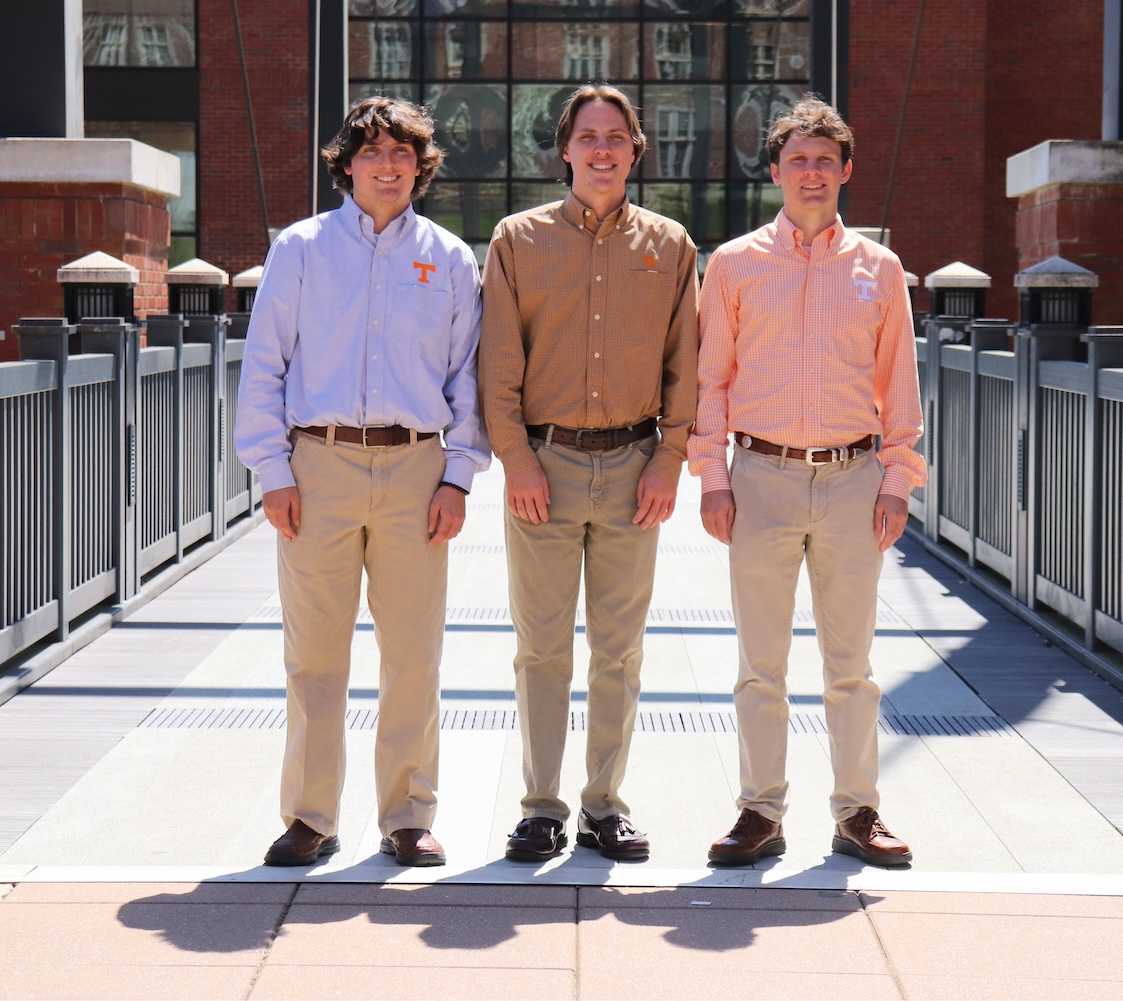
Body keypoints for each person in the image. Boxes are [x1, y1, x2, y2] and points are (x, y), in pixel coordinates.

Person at [235, 96, 489, 868]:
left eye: (403, 153)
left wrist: (457, 476)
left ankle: (408, 813)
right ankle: (311, 816)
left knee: (414, 653)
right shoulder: (301, 248)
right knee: (315, 653)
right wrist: (272, 469)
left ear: (421, 166)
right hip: (320, 465)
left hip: (416, 469)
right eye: (373, 152)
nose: (388, 165)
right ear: (346, 163)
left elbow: (467, 377)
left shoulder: (449, 256)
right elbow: (265, 363)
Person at [688, 94, 926, 868]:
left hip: (856, 479)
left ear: (846, 170)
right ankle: (760, 811)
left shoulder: (880, 269)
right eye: (799, 160)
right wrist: (712, 475)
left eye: (826, 160)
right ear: (776, 171)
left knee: (850, 664)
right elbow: (710, 378)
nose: (813, 173)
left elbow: (900, 384)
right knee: (761, 663)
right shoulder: (732, 264)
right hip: (760, 477)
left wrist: (899, 478)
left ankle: (859, 811)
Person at [480, 84, 698, 863]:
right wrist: (515, 461)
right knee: (541, 647)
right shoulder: (515, 238)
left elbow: (686, 366)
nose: (602, 148)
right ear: (565, 148)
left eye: (616, 136)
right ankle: (541, 807)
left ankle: (605, 804)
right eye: (587, 136)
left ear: (636, 149)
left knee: (621, 649)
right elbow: (497, 367)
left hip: (636, 466)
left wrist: (669, 460)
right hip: (544, 465)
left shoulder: (671, 244)